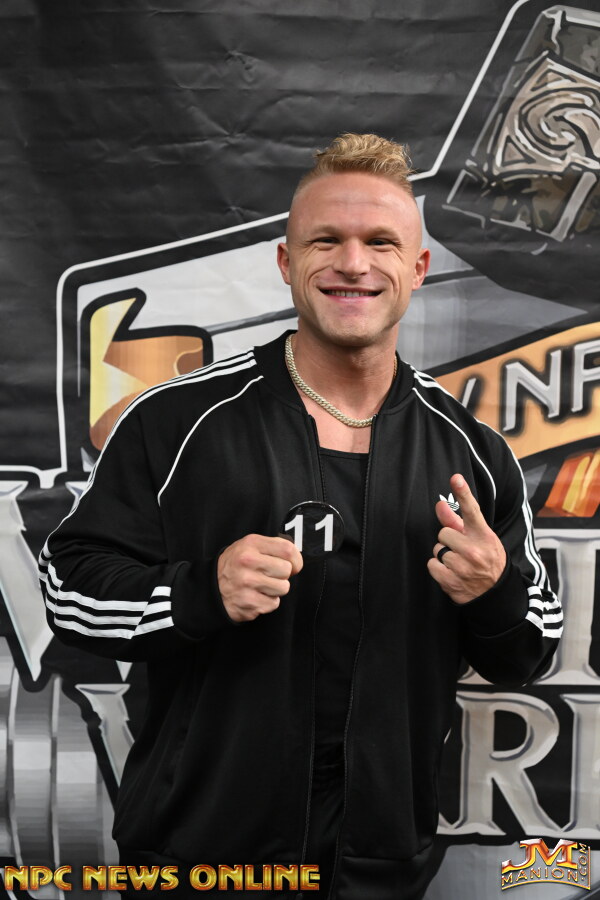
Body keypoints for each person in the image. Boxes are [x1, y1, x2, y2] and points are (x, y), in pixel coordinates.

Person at [39, 133, 562, 899]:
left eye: (380, 242)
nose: (353, 263)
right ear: (286, 263)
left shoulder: (473, 452)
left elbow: (531, 649)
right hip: (201, 859)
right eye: (326, 240)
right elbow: (69, 592)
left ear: (417, 268)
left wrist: (494, 592)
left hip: (381, 865)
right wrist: (199, 591)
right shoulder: (177, 422)